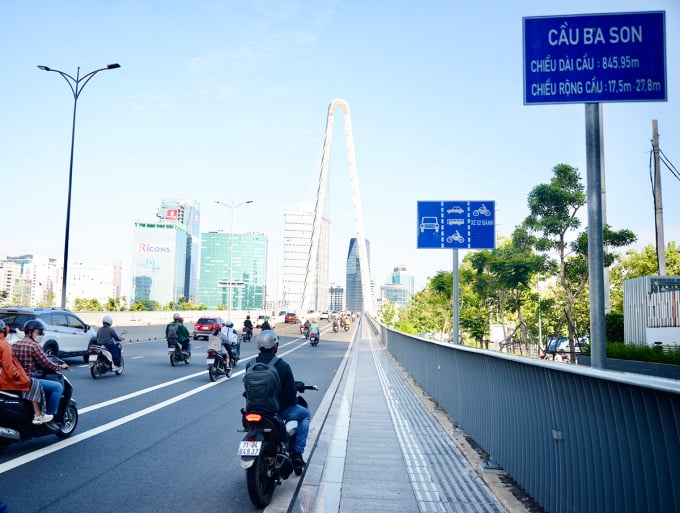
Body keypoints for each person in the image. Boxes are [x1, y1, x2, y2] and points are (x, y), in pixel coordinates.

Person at [250, 330, 310, 472]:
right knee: (305, 415)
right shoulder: (282, 365)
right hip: (277, 410)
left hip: (253, 409)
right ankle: (297, 453)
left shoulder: (250, 364)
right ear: (274, 346)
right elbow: (289, 394)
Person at [12, 319, 68, 423]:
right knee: (57, 387)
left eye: (42, 333)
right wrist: (61, 366)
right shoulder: (34, 346)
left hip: (15, 380)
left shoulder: (14, 345)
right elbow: (47, 364)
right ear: (30, 333)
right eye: (39, 333)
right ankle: (48, 415)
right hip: (29, 381)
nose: (41, 335)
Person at [0, 319, 50, 424]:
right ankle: (38, 415)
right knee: (32, 383)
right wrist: (19, 376)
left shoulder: (13, 344)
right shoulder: (4, 345)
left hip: (3, 379)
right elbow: (9, 367)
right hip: (6, 380)